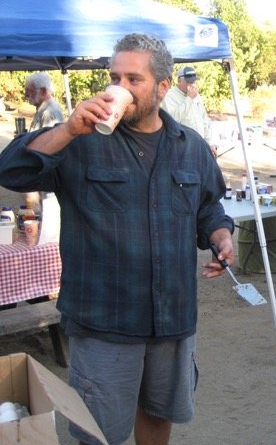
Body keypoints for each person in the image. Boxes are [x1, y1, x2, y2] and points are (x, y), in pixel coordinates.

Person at [0, 33, 235, 445]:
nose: (118, 88)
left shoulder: (191, 147)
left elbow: (209, 207)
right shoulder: (80, 141)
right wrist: (68, 130)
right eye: (114, 77)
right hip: (104, 321)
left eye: (133, 79)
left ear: (163, 87)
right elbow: (10, 171)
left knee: (159, 413)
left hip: (172, 317)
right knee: (99, 432)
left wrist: (220, 234)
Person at [161, 65, 218, 157]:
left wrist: (210, 143)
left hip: (200, 145)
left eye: (193, 81)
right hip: (182, 148)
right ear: (179, 80)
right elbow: (173, 120)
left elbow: (204, 120)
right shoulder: (169, 96)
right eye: (188, 82)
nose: (191, 84)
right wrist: (189, 98)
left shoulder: (196, 96)